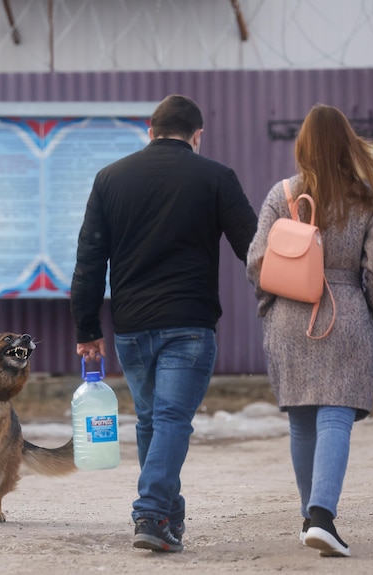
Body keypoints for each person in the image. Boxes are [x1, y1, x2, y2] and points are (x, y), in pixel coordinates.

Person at [70, 94, 258, 553]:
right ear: (197, 136)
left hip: (131, 326)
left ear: (149, 131)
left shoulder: (110, 179)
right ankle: (151, 513)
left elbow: (89, 259)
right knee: (170, 419)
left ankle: (168, 514)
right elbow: (254, 248)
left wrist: (87, 329)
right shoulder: (216, 177)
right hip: (190, 323)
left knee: (155, 419)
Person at [246, 104, 373, 558]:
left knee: (301, 419)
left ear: (303, 147)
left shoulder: (282, 194)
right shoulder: (367, 196)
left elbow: (257, 261)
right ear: (346, 144)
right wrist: (369, 307)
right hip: (345, 311)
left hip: (290, 318)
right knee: (336, 414)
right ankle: (322, 517)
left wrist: (271, 303)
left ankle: (310, 518)